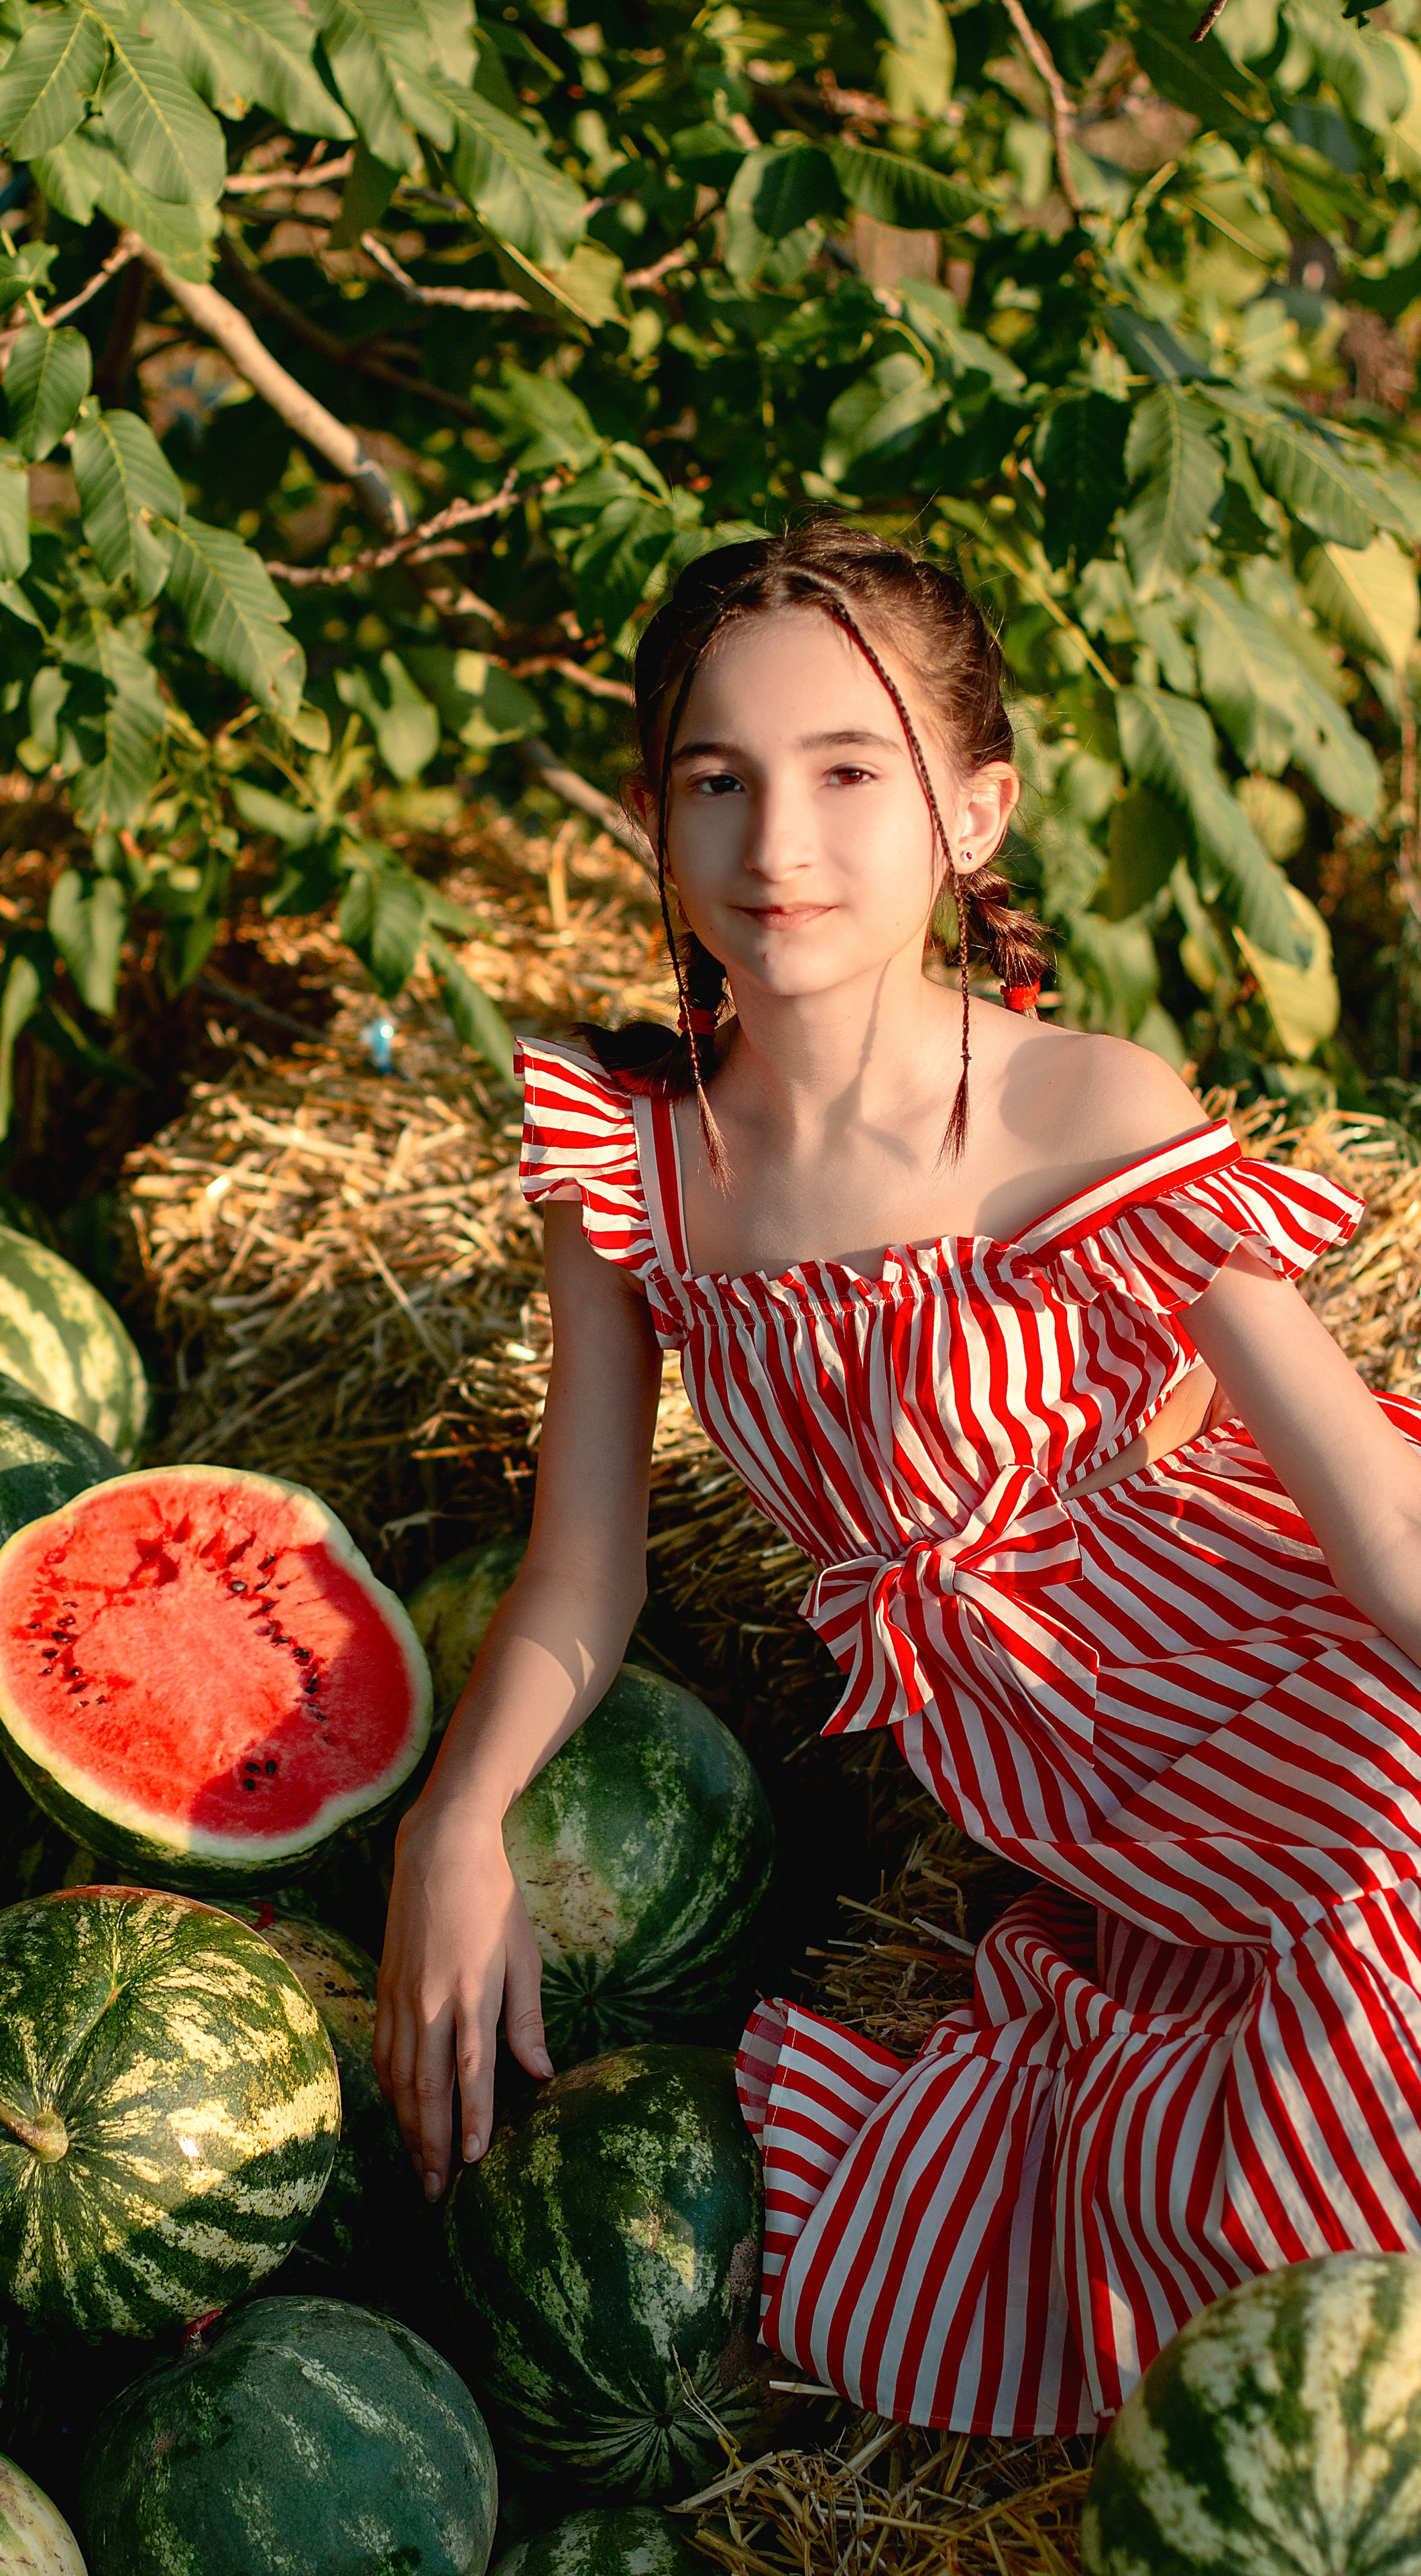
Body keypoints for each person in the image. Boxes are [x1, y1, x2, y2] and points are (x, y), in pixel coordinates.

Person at [372, 518, 1421, 2436]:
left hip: (1293, 1668)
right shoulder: (641, 1169)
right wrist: (459, 1819)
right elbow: (579, 1578)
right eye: (721, 779)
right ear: (658, 821)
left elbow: (1373, 1523)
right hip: (1076, 1769)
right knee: (1235, 2174)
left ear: (974, 812)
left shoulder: (1081, 1109)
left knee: (1387, 1946)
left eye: (852, 774)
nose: (780, 843)